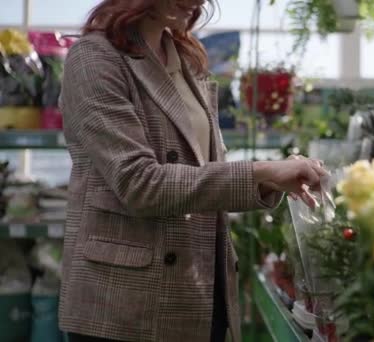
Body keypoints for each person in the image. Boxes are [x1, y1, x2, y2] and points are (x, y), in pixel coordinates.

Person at [58, 0, 327, 341]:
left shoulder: (184, 59)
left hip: (197, 286)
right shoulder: (95, 58)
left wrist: (272, 178)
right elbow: (139, 183)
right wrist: (260, 171)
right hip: (127, 302)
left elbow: (201, 171)